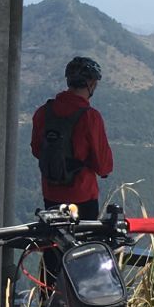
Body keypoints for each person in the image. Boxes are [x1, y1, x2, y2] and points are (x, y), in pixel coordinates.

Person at [31, 55, 113, 217]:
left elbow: (36, 150)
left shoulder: (43, 112)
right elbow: (103, 165)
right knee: (85, 242)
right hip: (82, 196)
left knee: (55, 239)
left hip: (51, 194)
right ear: (91, 84)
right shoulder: (90, 117)